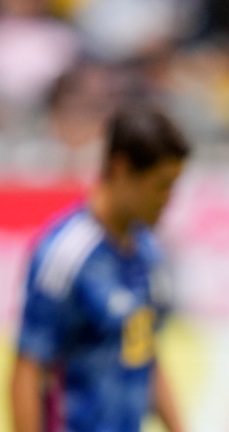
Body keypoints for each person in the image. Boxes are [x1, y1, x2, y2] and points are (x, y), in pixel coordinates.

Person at [10, 102, 190, 432]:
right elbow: (28, 369)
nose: (169, 199)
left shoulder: (149, 254)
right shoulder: (65, 253)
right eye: (162, 185)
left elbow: (145, 354)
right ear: (121, 169)